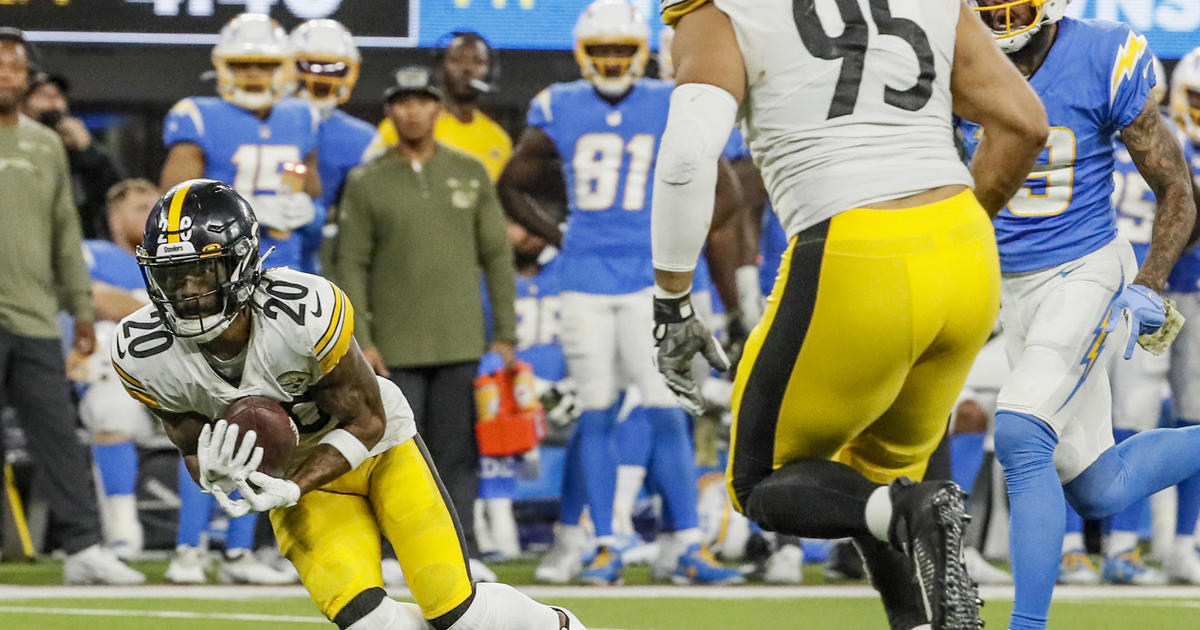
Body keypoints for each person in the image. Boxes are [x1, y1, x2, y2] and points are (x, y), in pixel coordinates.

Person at [651, 1, 1048, 628]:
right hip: (965, 247)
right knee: (879, 482)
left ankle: (913, 514)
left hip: (853, 248)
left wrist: (672, 299)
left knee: (761, 483)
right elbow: (1025, 123)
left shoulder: (722, 9)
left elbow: (684, 158)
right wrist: (946, 237)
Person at [113, 178, 585, 630]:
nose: (188, 291)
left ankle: (559, 625)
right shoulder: (142, 353)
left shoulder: (302, 312)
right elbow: (195, 448)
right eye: (172, 275)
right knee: (373, 624)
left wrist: (294, 485)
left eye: (202, 271)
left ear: (241, 264)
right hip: (300, 483)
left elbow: (369, 420)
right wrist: (215, 474)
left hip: (379, 453)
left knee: (460, 616)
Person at [961, 2, 1200, 629]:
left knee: (1019, 432)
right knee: (1099, 486)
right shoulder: (947, 54)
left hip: (1085, 271)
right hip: (1004, 287)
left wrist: (1149, 283)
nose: (998, 13)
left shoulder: (1100, 53)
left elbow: (1175, 186)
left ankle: (1027, 624)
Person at [500, 0, 746, 587]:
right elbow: (512, 182)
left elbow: (729, 193)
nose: (611, 62)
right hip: (583, 281)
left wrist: (674, 236)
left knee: (668, 412)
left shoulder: (668, 100)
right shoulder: (558, 104)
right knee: (597, 411)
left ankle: (686, 543)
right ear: (585, 54)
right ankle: (605, 543)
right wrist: (563, 236)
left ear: (641, 53)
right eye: (602, 50)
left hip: (651, 279)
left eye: (621, 50)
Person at [333, 66, 516, 581]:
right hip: (391, 346)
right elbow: (351, 265)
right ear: (390, 111)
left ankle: (462, 548)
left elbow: (497, 256)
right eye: (402, 101)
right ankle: (395, 554)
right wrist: (360, 340)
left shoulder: (471, 170)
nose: (412, 111)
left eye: (421, 101)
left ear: (437, 108)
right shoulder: (367, 180)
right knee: (396, 453)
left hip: (461, 340)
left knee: (459, 454)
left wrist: (505, 333)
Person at [159, 12, 317, 585]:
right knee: (209, 422)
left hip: (279, 286)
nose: (253, 74)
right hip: (215, 289)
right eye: (243, 63)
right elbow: (171, 203)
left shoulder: (301, 115)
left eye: (263, 65)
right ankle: (189, 547)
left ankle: (241, 548)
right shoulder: (198, 117)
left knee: (269, 424)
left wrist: (309, 210)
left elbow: (311, 188)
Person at [0, 26, 143, 585]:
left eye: (14, 67)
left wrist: (82, 310)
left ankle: (84, 548)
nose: (6, 75)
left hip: (36, 316)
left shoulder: (44, 144)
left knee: (58, 435)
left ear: (28, 79)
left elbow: (64, 233)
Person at [73, 178, 162, 560]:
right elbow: (94, 299)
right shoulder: (93, 253)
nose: (151, 216)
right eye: (140, 208)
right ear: (113, 218)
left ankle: (210, 542)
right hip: (114, 378)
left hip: (171, 380)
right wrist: (161, 309)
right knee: (112, 410)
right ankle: (124, 532)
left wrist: (128, 302)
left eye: (155, 207)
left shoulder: (175, 258)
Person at [289, 19, 377, 276]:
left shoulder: (363, 138)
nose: (321, 77)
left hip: (335, 256)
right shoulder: (266, 120)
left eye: (334, 68)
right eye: (311, 65)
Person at [1161, 46, 1200, 584]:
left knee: (1195, 414)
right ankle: (1115, 541)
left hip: (1190, 289)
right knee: (1128, 413)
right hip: (1152, 290)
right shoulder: (1157, 138)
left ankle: (1182, 542)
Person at [376, 31, 511, 182]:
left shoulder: (499, 140)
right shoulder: (407, 124)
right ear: (440, 68)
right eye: (456, 60)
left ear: (490, 72)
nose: (467, 69)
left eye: (478, 62)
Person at [22, 72, 125, 241]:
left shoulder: (80, 150)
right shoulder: (18, 147)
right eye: (43, 95)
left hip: (81, 241)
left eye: (57, 96)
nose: (53, 103)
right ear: (23, 105)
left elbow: (117, 194)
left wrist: (86, 150)